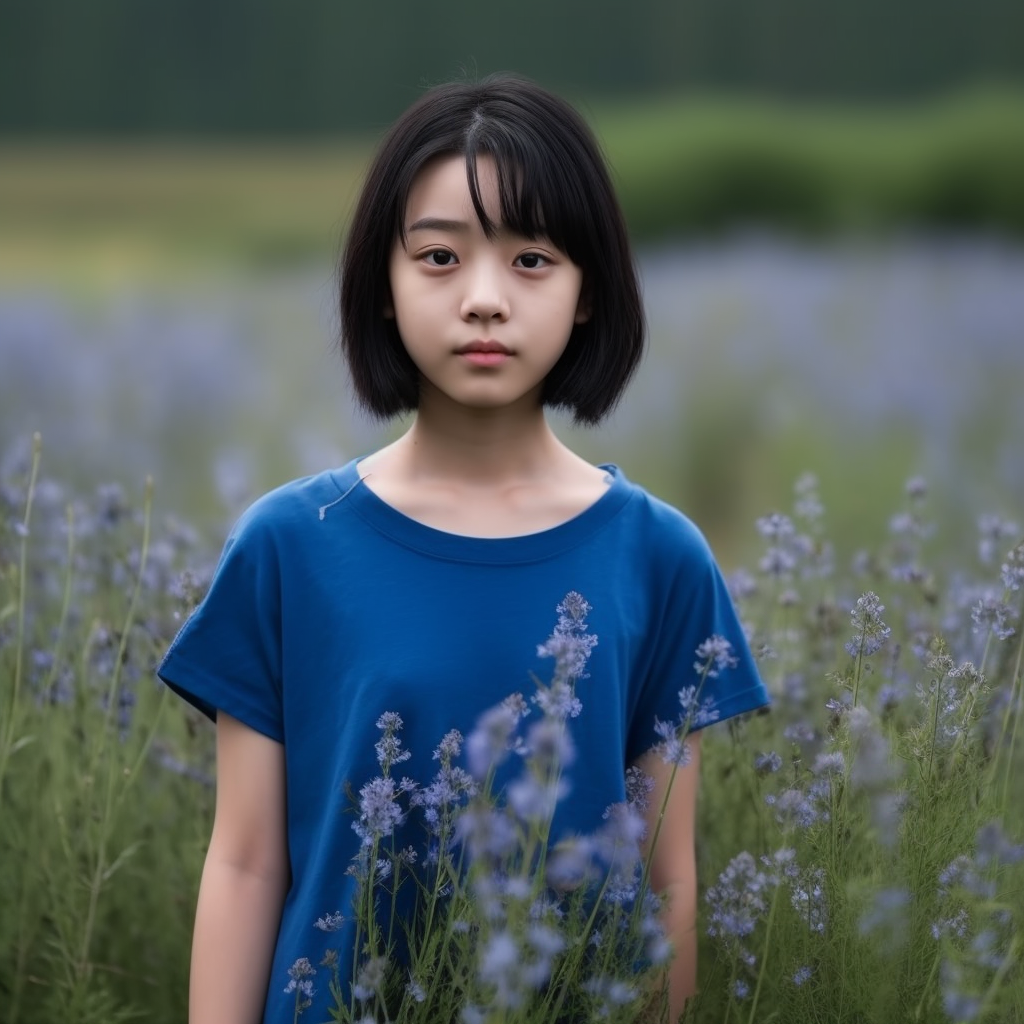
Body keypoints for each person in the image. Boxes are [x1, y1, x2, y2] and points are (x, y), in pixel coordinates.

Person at [158, 73, 770, 1024]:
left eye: (531, 261)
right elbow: (244, 862)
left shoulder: (660, 557)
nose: (484, 300)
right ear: (385, 286)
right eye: (440, 257)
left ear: (589, 293)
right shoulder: (289, 547)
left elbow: (668, 885)